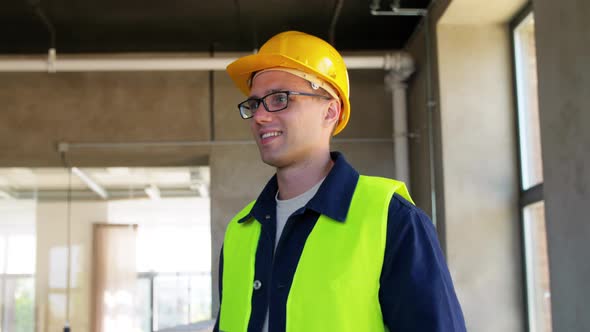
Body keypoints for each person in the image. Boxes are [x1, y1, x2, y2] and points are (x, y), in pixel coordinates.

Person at [214, 30, 466, 332]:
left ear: (330, 111)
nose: (260, 117)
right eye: (254, 104)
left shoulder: (392, 219)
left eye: (280, 99)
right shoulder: (240, 231)